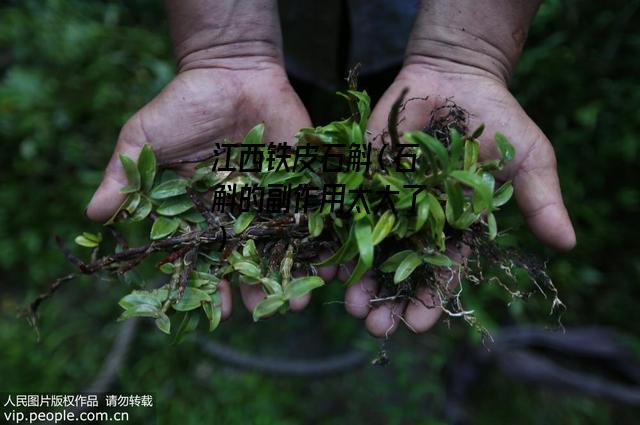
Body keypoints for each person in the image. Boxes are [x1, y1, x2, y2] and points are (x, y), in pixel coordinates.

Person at [86, 0, 576, 337]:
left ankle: (327, 251)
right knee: (303, 128)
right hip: (272, 29)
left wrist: (468, 55)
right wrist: (224, 50)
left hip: (425, 31)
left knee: (386, 130)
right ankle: (318, 254)